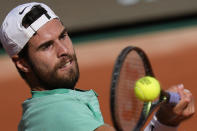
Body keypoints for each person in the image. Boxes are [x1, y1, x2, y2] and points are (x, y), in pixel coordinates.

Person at [0, 2, 194, 131]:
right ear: (22, 63)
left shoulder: (39, 112)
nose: (63, 50)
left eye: (63, 36)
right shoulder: (57, 112)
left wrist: (164, 121)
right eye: (47, 46)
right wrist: (163, 122)